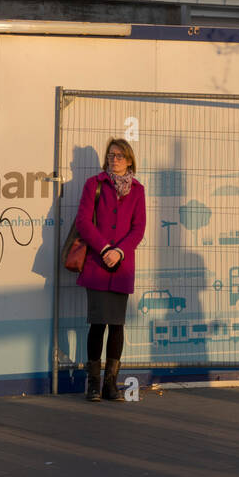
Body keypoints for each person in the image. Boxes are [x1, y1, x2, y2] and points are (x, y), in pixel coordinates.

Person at [75, 137, 146, 401]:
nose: (113, 159)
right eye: (111, 155)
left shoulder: (137, 190)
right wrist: (105, 249)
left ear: (129, 160)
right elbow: (83, 221)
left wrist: (119, 251)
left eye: (119, 155)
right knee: (97, 324)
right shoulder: (93, 184)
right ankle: (93, 383)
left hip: (122, 266)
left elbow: (138, 228)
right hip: (97, 264)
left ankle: (110, 384)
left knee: (117, 325)